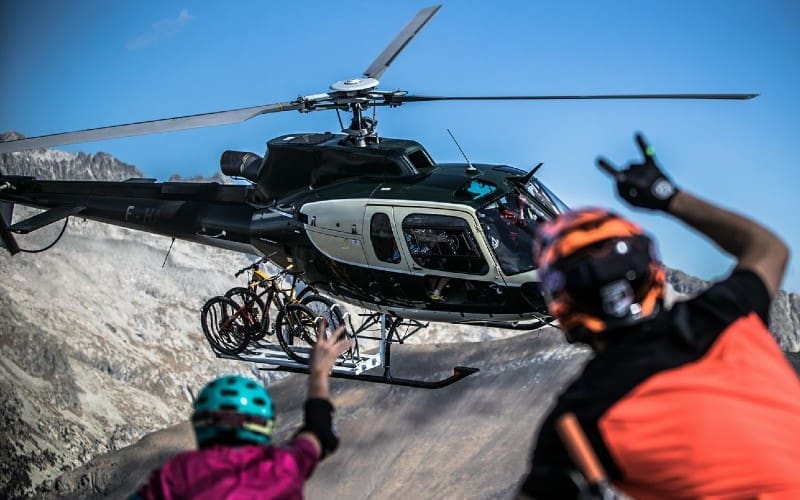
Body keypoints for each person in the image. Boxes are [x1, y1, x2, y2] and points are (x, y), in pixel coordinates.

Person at [518, 133, 800, 499]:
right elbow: (768, 249)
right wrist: (668, 196)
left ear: (562, 305)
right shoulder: (727, 317)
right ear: (653, 271)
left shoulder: (580, 420)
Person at [133, 320, 352, 500]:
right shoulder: (282, 467)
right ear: (264, 424)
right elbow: (320, 432)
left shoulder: (177, 475)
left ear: (201, 423)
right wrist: (319, 373)